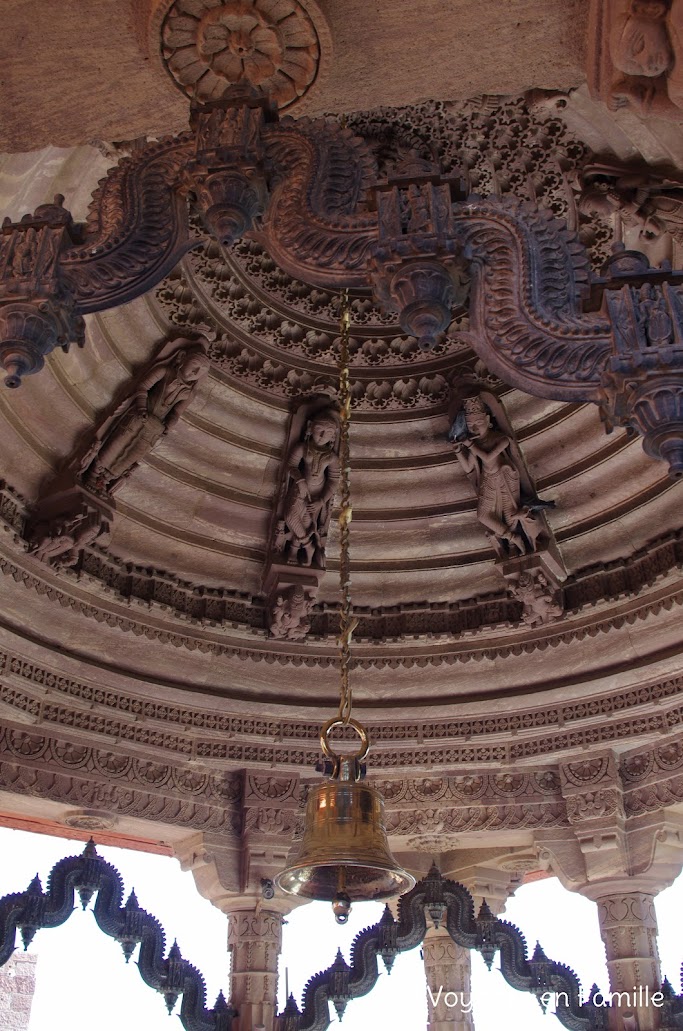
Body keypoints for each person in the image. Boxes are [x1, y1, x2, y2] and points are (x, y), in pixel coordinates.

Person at [81, 342, 210, 492]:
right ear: (182, 358)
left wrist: (167, 426)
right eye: (194, 364)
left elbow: (176, 413)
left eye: (201, 371)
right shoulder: (165, 371)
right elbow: (143, 386)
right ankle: (93, 473)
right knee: (118, 443)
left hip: (155, 426)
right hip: (139, 414)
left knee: (134, 454)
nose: (195, 372)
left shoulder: (189, 393)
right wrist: (141, 408)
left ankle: (106, 479)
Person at [450, 396, 535, 557]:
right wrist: (458, 451)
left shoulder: (500, 439)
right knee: (483, 515)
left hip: (504, 479)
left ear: (488, 420)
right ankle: (512, 537)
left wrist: (471, 445)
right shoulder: (475, 445)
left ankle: (513, 544)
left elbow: (489, 458)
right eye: (470, 425)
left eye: (479, 423)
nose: (475, 428)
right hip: (487, 481)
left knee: (510, 516)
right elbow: (469, 467)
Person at [275, 409, 340, 568]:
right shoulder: (302, 448)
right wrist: (299, 479)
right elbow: (290, 466)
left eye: (328, 433)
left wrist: (322, 500)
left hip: (318, 492)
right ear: (310, 427)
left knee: (306, 521)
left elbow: (333, 479)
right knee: (290, 516)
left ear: (333, 436)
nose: (323, 435)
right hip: (300, 488)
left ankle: (295, 551)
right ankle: (309, 546)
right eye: (320, 430)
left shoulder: (332, 457)